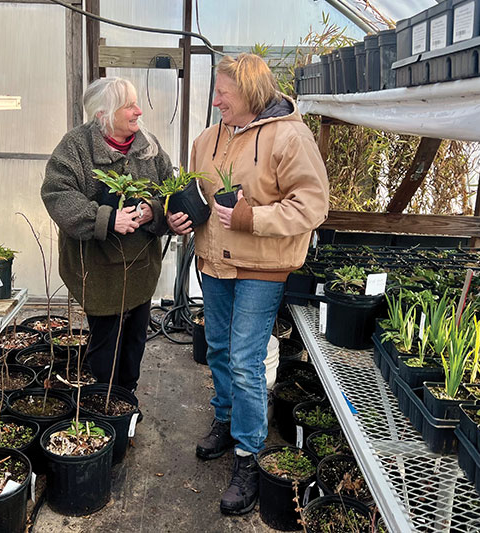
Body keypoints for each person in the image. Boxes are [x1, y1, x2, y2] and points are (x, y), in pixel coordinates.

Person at [168, 54, 330, 515]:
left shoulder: (290, 136)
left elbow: (313, 205)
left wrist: (250, 218)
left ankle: (247, 455)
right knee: (217, 348)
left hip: (262, 267)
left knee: (244, 359)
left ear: (252, 95)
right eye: (216, 91)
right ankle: (224, 418)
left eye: (224, 93)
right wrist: (177, 214)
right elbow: (196, 191)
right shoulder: (209, 138)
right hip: (214, 263)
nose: (215, 99)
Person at [41, 77, 173, 393]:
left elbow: (171, 188)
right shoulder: (76, 147)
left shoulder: (148, 147)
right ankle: (103, 401)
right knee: (106, 341)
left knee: (134, 340)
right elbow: (57, 194)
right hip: (97, 271)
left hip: (140, 267)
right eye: (129, 105)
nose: (138, 111)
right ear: (104, 114)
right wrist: (107, 219)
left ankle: (126, 400)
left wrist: (155, 210)